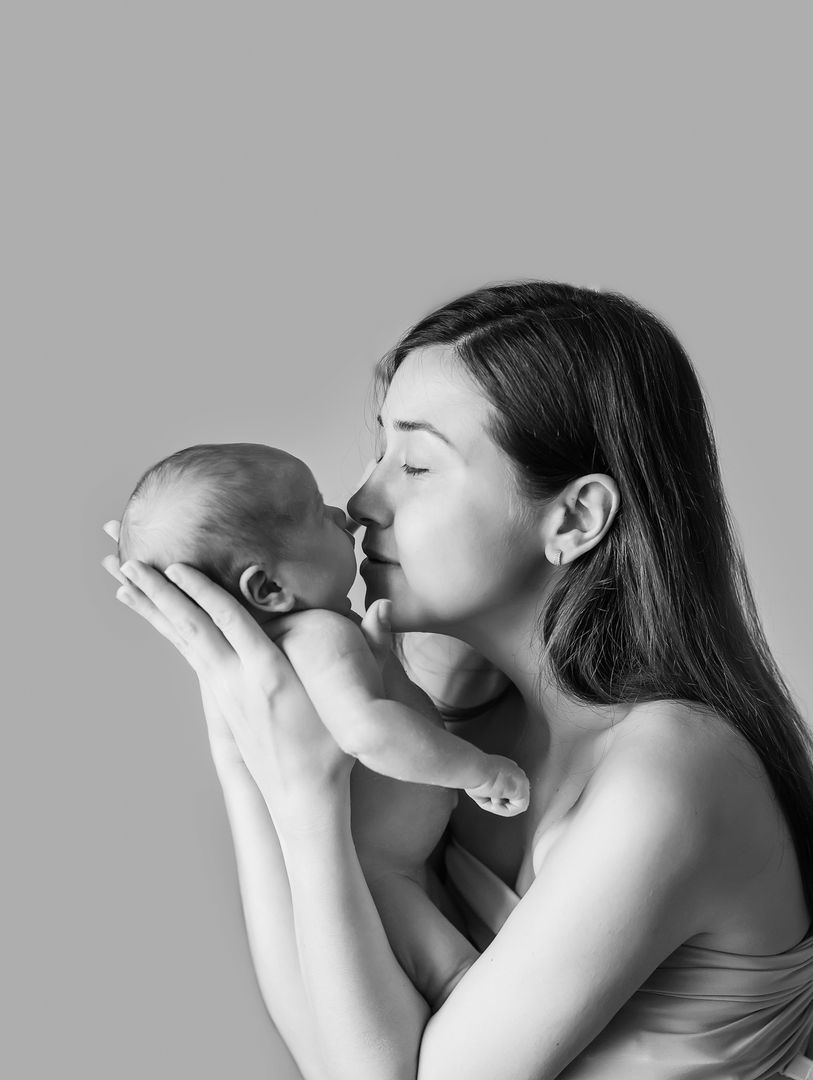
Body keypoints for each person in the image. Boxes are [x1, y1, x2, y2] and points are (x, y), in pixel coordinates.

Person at [104, 282, 813, 1080]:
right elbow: (327, 1045)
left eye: (414, 462)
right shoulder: (450, 727)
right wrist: (239, 735)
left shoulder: (673, 773)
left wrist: (303, 798)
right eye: (376, 453)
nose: (362, 499)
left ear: (574, 519)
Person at [117, 441, 529, 814]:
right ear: (269, 587)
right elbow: (367, 733)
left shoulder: (283, 652)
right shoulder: (318, 636)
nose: (343, 515)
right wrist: (480, 772)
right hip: (388, 874)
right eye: (319, 513)